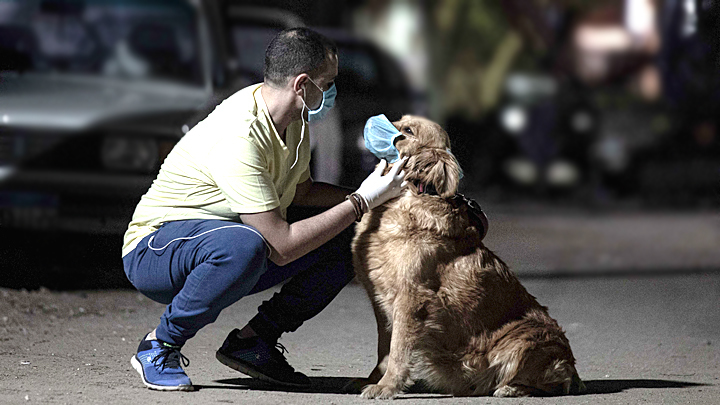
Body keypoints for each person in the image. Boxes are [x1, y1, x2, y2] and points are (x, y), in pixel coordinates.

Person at [121, 27, 407, 391]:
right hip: (154, 249)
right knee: (246, 245)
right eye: (329, 82)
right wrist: (361, 199)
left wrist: (377, 197)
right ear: (302, 84)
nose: (333, 91)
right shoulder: (239, 134)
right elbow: (281, 245)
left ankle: (253, 342)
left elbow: (300, 192)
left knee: (350, 232)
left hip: (224, 238)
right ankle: (159, 345)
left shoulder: (295, 123)